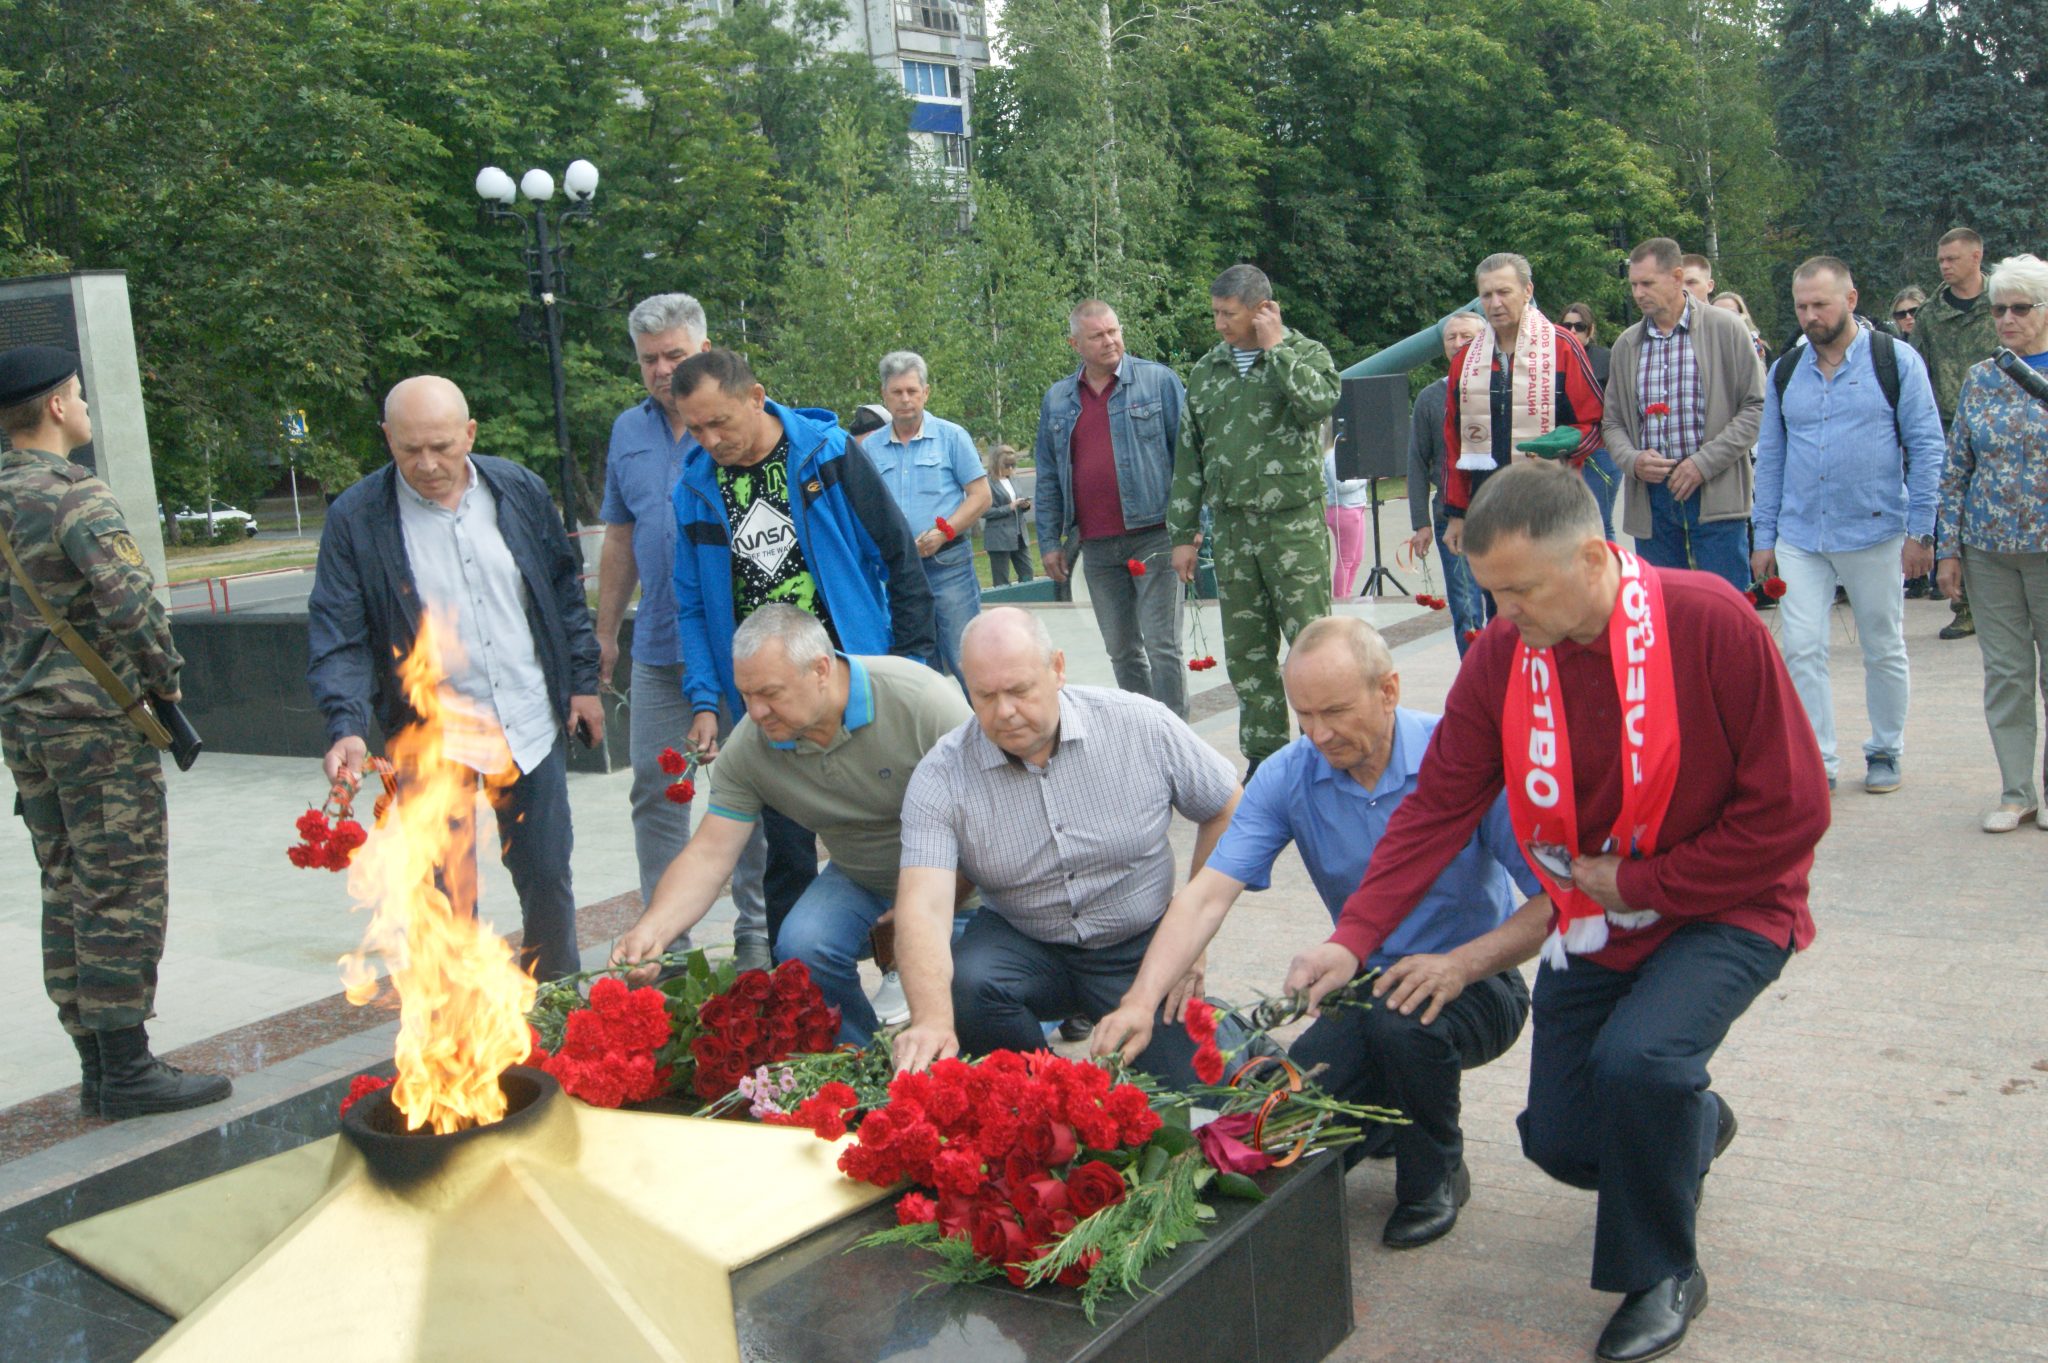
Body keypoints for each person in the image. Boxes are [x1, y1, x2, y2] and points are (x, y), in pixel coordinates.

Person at [1286, 463, 1828, 1363]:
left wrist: (1645, 883)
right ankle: (1687, 1123)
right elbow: (1439, 805)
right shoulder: (1506, 654)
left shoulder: (1710, 619)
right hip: (1596, 915)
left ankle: (1662, 1274)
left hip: (1730, 904)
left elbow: (1796, 812)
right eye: (1492, 592)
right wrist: (1353, 939)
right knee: (1565, 1141)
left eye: (1521, 590)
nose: (1503, 615)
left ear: (1591, 556)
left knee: (1639, 1059)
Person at [1090, 616, 1538, 1249]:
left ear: (1389, 689)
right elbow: (1205, 898)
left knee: (1400, 1027)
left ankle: (1435, 1173)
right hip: (1362, 986)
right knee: (1274, 1134)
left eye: (1335, 711)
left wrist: (1461, 965)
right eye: (1304, 714)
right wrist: (1139, 1001)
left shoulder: (1460, 757)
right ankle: (1381, 1114)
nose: (1319, 733)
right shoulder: (1289, 773)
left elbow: (1553, 905)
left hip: (1478, 980)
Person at [0, 344, 232, 1120]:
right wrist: (164, 681)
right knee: (120, 890)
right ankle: (128, 1069)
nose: (85, 406)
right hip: (96, 728)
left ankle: (98, 1064)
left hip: (25, 730)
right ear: (58, 406)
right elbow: (131, 603)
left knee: (65, 885)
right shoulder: (73, 496)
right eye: (78, 393)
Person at [308, 376, 599, 982]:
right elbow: (339, 633)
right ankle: (457, 1030)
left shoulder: (517, 489)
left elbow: (563, 594)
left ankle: (556, 1013)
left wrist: (583, 683)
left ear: (469, 433)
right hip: (432, 734)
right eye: (409, 449)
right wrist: (346, 725)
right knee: (443, 896)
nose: (428, 464)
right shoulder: (358, 518)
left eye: (442, 446)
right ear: (387, 439)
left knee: (547, 878)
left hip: (526, 719)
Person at [889, 608, 1240, 1086]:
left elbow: (1226, 807)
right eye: (985, 696)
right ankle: (1036, 1099)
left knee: (1201, 1094)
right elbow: (923, 905)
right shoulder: (942, 773)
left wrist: (1192, 937)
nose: (1004, 711)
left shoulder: (1139, 725)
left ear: (1057, 669)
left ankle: (1221, 1042)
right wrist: (931, 1019)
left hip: (1140, 941)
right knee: (965, 989)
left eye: (1019, 690)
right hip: (1023, 937)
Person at [666, 348, 937, 950]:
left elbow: (897, 554)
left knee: (908, 822)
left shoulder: (827, 453)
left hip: (853, 679)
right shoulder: (694, 490)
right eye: (696, 427)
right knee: (785, 850)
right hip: (769, 693)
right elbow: (690, 603)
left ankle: (923, 953)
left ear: (757, 397)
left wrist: (912, 664)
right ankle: (806, 1002)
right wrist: (706, 699)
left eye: (722, 422)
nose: (710, 440)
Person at [611, 606, 969, 1042]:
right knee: (802, 947)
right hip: (863, 875)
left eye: (770, 693)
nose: (756, 712)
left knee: (973, 986)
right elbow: (709, 855)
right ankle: (861, 1059)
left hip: (962, 877)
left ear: (821, 669)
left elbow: (1002, 820)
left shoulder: (919, 699)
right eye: (745, 695)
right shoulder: (752, 746)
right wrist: (652, 931)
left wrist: (931, 906)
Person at [595, 294, 770, 969]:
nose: (663, 369)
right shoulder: (627, 433)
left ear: (703, 347)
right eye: (649, 359)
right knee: (654, 789)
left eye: (674, 354)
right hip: (659, 647)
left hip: (740, 651)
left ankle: (755, 928)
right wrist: (607, 631)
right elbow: (620, 536)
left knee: (749, 783)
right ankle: (664, 942)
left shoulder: (738, 422)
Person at [1752, 257, 1944, 795]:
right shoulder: (1785, 370)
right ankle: (1818, 760)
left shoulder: (1894, 361)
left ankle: (1885, 749)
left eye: (1821, 304)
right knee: (1802, 648)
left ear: (1851, 300)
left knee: (1882, 645)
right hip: (1802, 536)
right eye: (1801, 306)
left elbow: (1927, 448)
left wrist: (1921, 531)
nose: (1810, 315)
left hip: (1877, 530)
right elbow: (1771, 458)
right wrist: (1763, 537)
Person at [1169, 264, 1341, 778]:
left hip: (1293, 526)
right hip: (1233, 529)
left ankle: (1325, 748)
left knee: (1312, 644)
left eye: (1229, 313)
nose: (1219, 323)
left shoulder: (1304, 354)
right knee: (1246, 654)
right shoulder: (1206, 371)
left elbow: (1320, 402)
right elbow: (1188, 458)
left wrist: (1277, 348)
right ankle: (1266, 759)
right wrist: (1182, 535)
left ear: (1262, 309)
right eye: (1216, 312)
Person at [1936, 253, 2048, 833]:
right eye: (1999, 308)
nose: (2007, 318)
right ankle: (2015, 791)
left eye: (2020, 308)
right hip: (1988, 548)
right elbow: (1956, 468)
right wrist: (1947, 549)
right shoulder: (1982, 375)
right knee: (2006, 673)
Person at [1034, 301, 1189, 715]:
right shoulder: (1058, 400)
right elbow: (1048, 475)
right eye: (1097, 336)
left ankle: (1177, 738)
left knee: (1163, 646)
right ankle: (1141, 731)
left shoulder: (1159, 382)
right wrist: (1049, 541)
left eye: (1114, 331)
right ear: (1075, 344)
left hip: (1155, 536)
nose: (1110, 341)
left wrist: (1192, 529)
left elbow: (1190, 460)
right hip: (1096, 546)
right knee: (1122, 652)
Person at [1603, 236, 1767, 594]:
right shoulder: (1627, 344)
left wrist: (1702, 463)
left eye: (1648, 283)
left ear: (1677, 277)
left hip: (1715, 492)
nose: (1638, 293)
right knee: (1666, 611)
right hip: (1654, 499)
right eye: (1633, 284)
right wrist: (1633, 460)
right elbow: (1612, 422)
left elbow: (1756, 407)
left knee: (1726, 610)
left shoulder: (1726, 328)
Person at [1440, 253, 1604, 558]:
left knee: (1553, 600)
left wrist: (1565, 445)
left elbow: (1595, 423)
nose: (1495, 303)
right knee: (1501, 601)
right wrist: (1456, 513)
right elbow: (1454, 442)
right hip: (1488, 508)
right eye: (1486, 295)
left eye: (1504, 292)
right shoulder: (1465, 360)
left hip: (1550, 507)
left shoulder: (1563, 346)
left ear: (1527, 291)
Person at [861, 352, 990, 682]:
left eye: (912, 391)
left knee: (968, 661)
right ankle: (937, 734)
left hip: (949, 567)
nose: (905, 400)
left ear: (926, 392)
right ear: (884, 395)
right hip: (899, 573)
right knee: (917, 670)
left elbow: (981, 496)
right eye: (897, 392)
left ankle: (987, 732)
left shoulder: (952, 437)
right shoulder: (869, 449)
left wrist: (944, 533)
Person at [1916, 228, 2001, 641]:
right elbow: (1918, 369)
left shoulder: (2003, 304)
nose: (1946, 266)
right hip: (1951, 423)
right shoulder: (1932, 314)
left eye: (1952, 259)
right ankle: (1963, 606)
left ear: (1977, 256)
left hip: (2003, 420)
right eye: (1941, 261)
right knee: (1956, 511)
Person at [1405, 311, 1489, 651]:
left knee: (1504, 606)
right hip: (1450, 518)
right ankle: (1474, 686)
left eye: (1466, 336)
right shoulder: (1430, 397)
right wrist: (1421, 523)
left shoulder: (1504, 386)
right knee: (1466, 609)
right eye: (1451, 338)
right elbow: (1416, 460)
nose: (1458, 344)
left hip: (1497, 514)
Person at [1559, 301, 1622, 539]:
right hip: (1563, 450)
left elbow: (1618, 406)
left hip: (1600, 449)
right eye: (1566, 326)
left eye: (1580, 326)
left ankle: (1611, 575)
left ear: (1591, 330)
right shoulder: (1550, 361)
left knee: (1598, 521)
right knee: (1568, 525)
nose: (1573, 332)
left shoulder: (1606, 359)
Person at [1323, 427, 1370, 599]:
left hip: (1357, 506)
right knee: (1346, 560)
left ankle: (1347, 595)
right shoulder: (1332, 455)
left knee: (1357, 558)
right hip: (1344, 509)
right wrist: (1364, 477)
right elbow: (1340, 485)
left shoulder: (1346, 452)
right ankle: (1340, 599)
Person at [980, 444, 1034, 586]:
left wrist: (1024, 506)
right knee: (1001, 581)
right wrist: (1009, 507)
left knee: (1028, 574)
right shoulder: (987, 482)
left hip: (1019, 535)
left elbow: (1017, 503)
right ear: (997, 463)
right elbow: (983, 511)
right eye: (1007, 465)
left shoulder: (1014, 479)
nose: (1010, 468)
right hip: (998, 538)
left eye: (1013, 465)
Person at [1710, 292, 1770, 363]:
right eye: (1717, 313)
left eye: (1730, 313)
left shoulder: (1759, 348)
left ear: (1742, 315)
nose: (1724, 317)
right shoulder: (1702, 346)